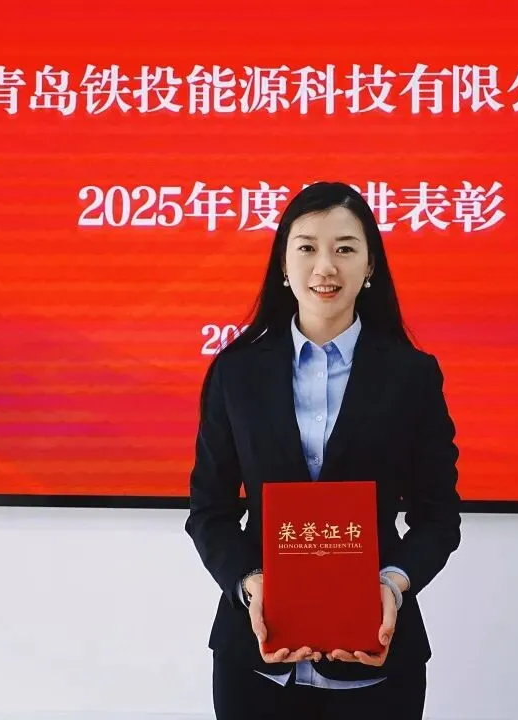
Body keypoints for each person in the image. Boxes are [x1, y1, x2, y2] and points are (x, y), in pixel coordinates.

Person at [185, 181, 461, 719]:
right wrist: (251, 584)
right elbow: (210, 511)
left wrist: (391, 585)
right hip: (255, 662)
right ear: (283, 264)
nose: (325, 267)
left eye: (345, 248)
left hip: (378, 662)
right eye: (307, 247)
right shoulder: (236, 374)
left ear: (370, 265)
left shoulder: (412, 376)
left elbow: (438, 518)